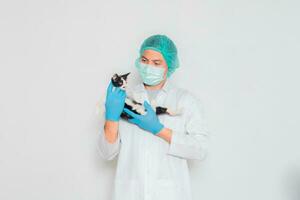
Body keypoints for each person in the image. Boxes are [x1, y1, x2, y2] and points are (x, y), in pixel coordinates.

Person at [97, 34, 210, 200]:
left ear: (169, 66)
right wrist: (111, 118)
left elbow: (201, 150)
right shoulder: (125, 99)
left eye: (157, 63)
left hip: (170, 194)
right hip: (129, 194)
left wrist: (159, 129)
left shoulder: (185, 101)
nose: (149, 67)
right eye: (144, 60)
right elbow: (106, 153)